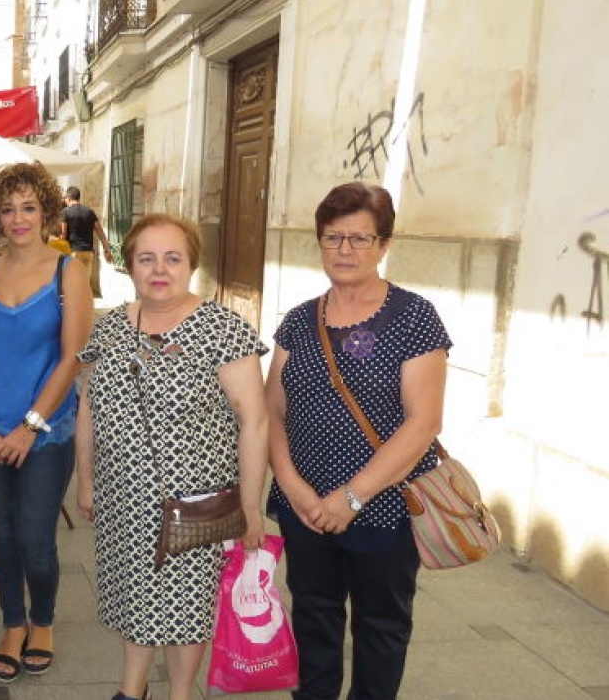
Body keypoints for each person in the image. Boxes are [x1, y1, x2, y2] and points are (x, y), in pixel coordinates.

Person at [265, 182, 450, 700]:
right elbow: (272, 410)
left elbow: (423, 423)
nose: (344, 250)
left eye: (359, 239)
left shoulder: (414, 318)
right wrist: (293, 488)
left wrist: (351, 497)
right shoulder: (300, 320)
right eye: (332, 237)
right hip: (305, 508)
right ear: (319, 242)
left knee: (380, 627)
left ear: (383, 245)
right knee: (314, 619)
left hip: (384, 507)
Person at [74, 214, 269, 700]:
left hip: (194, 505)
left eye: (172, 258)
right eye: (147, 258)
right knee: (133, 597)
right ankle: (131, 688)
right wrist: (85, 479)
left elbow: (255, 421)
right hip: (123, 499)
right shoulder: (112, 327)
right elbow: (88, 408)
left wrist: (251, 505)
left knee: (185, 607)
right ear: (130, 266)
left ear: (191, 265)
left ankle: (181, 693)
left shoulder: (223, 328)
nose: (159, 269)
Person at [0, 162, 92, 683]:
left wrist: (30, 426)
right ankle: (13, 624)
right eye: (8, 208)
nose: (18, 218)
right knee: (4, 535)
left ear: (46, 212)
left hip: (47, 432)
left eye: (28, 207)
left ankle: (44, 620)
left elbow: (73, 357)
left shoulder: (67, 271)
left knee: (36, 537)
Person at [61, 186, 113, 298]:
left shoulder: (65, 212)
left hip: (73, 252)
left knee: (72, 284)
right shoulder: (89, 212)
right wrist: (107, 250)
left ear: (69, 198)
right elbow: (100, 232)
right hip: (88, 253)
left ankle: (74, 309)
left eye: (65, 198)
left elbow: (63, 234)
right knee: (84, 283)